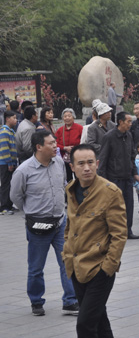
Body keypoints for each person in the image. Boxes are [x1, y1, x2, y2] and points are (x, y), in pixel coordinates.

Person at [10, 131, 79, 316]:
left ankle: (70, 301)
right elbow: (15, 196)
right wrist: (31, 212)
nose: (55, 145)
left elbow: (63, 185)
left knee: (67, 262)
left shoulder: (59, 163)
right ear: (39, 147)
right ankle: (36, 301)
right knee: (36, 268)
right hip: (38, 226)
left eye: (55, 142)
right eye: (51, 143)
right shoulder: (23, 170)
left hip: (60, 222)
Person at [63, 143, 127, 337]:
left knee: (84, 325)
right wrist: (66, 252)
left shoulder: (110, 192)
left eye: (90, 162)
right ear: (72, 167)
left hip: (99, 269)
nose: (87, 168)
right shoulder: (71, 189)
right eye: (81, 163)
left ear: (97, 164)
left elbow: (119, 233)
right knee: (99, 321)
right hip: (76, 266)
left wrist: (108, 266)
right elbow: (70, 225)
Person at [98, 112, 139, 240]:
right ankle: (114, 231)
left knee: (129, 206)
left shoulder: (129, 135)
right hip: (114, 178)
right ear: (120, 122)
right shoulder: (109, 137)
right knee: (115, 207)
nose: (130, 124)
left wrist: (134, 173)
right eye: (128, 121)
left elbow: (132, 156)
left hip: (127, 177)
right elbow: (103, 159)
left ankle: (128, 230)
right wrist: (103, 180)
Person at [55, 108, 83, 182]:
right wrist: (64, 147)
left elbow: (83, 141)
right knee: (67, 179)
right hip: (65, 159)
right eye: (65, 116)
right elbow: (55, 143)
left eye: (69, 116)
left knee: (79, 177)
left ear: (73, 117)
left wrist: (75, 149)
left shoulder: (79, 128)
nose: (67, 118)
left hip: (77, 157)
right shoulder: (60, 130)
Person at [0, 110, 18, 214]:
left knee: (11, 184)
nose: (16, 120)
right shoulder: (4, 132)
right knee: (5, 184)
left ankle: (9, 205)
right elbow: (4, 149)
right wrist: (9, 162)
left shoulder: (11, 131)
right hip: (5, 163)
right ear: (7, 119)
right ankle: (3, 207)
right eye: (14, 118)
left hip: (11, 162)